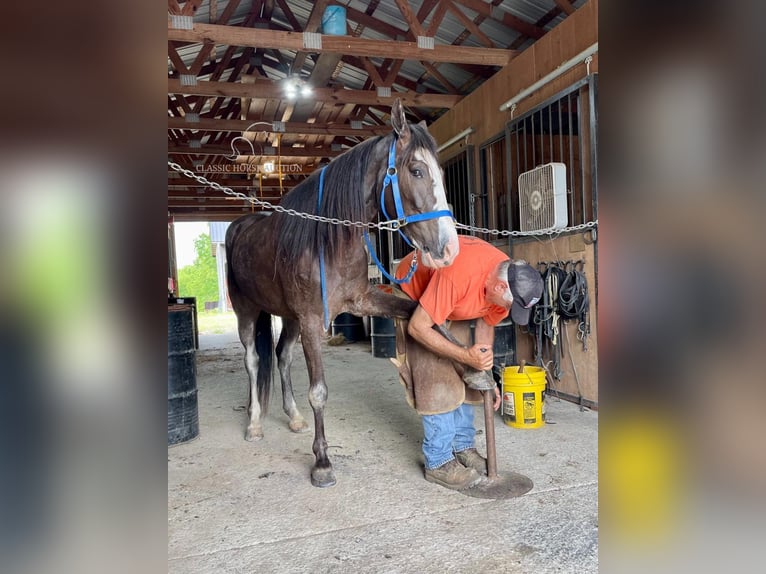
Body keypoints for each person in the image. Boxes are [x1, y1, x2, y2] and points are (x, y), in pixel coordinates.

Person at [393, 235, 543, 490]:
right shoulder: (459, 275)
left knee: (470, 375)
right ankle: (438, 461)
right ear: (498, 288)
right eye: (511, 305)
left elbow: (486, 321)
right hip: (415, 291)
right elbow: (418, 328)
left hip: (457, 301)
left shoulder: (507, 281)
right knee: (437, 375)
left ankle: (463, 446)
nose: (510, 311)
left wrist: (484, 372)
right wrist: (463, 355)